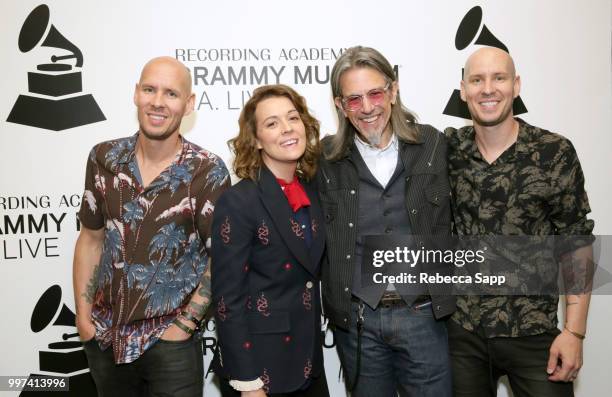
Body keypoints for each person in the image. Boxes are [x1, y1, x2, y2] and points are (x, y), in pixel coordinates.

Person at [73, 56, 230, 396]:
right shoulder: (103, 158)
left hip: (171, 344)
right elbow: (90, 239)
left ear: (189, 105)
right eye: (149, 89)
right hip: (105, 339)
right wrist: (84, 319)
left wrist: (186, 324)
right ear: (136, 94)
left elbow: (224, 256)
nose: (158, 101)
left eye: (171, 93)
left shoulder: (208, 171)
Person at [445, 46, 594, 397]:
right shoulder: (447, 150)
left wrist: (574, 333)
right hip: (463, 335)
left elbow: (577, 244)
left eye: (499, 78)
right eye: (477, 80)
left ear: (516, 85)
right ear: (463, 89)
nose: (488, 89)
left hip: (535, 333)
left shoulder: (553, 151)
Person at [317, 45, 455, 397]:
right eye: (353, 99)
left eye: (375, 93)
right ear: (339, 105)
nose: (367, 108)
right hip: (359, 322)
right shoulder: (326, 159)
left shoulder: (433, 144)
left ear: (393, 91)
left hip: (424, 315)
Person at [211, 85, 329, 397]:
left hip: (309, 363)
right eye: (272, 123)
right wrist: (248, 382)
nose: (287, 128)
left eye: (293, 118)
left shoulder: (313, 192)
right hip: (259, 370)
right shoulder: (238, 201)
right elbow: (226, 301)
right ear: (256, 139)